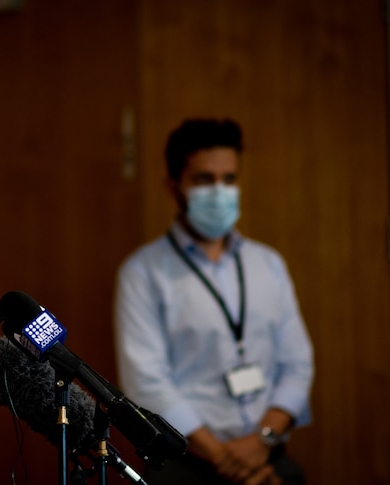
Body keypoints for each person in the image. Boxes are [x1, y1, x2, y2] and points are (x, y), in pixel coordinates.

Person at [113, 118, 314, 485]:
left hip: (268, 461)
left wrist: (262, 441)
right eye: (205, 180)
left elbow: (297, 364)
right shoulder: (142, 272)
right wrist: (223, 457)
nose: (220, 191)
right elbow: (146, 382)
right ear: (174, 185)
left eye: (230, 179)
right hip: (185, 466)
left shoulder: (267, 264)